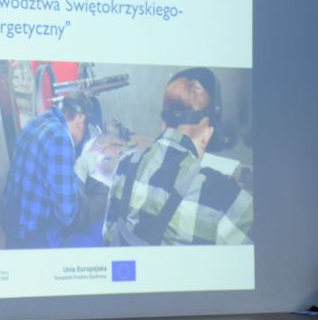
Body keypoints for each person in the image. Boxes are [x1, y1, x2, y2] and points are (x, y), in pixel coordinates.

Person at [104, 69, 253, 246]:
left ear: (164, 125)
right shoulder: (222, 195)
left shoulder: (125, 165)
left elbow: (109, 237)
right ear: (207, 136)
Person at [0, 92, 94, 248]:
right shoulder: (60, 139)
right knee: (92, 225)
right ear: (80, 118)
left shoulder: (37, 122)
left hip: (12, 221)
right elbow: (67, 215)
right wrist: (80, 173)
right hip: (32, 237)